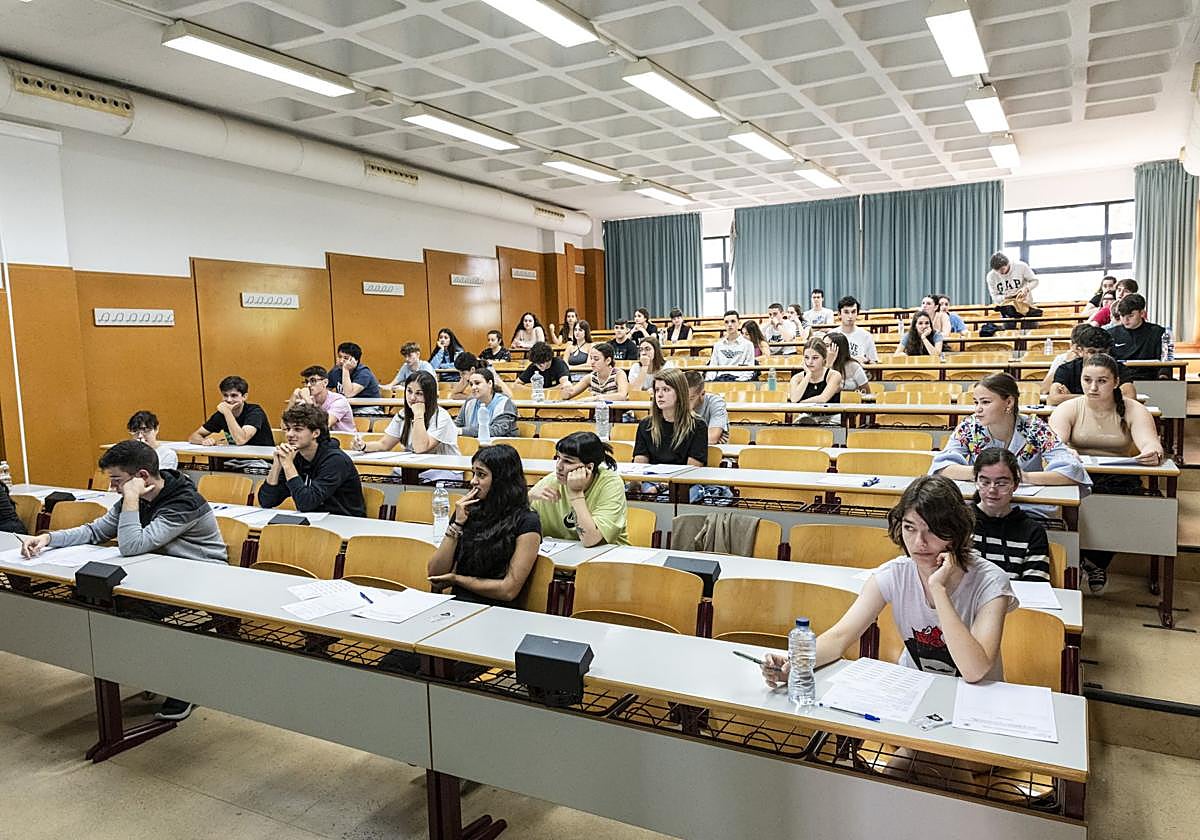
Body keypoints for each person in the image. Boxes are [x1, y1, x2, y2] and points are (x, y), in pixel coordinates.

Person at [21, 440, 227, 721]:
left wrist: (131, 498)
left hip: (201, 577)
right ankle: (146, 670)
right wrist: (48, 538)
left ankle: (184, 685)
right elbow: (96, 531)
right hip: (157, 573)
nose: (113, 488)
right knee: (92, 599)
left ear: (142, 476)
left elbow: (132, 545)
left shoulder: (183, 501)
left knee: (134, 610)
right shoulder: (136, 496)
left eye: (117, 481)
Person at [762, 474, 1015, 684]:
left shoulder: (990, 582)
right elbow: (839, 637)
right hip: (916, 689)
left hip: (976, 701)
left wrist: (937, 589)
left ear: (956, 531)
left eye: (932, 531)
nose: (919, 542)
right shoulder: (895, 574)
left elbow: (974, 671)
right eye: (909, 528)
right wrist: (796, 663)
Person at [1050, 354, 1164, 592]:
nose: (1093, 387)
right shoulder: (1069, 408)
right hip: (1078, 474)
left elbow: (1150, 443)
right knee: (1072, 501)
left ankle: (1093, 561)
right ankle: (1082, 560)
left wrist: (1152, 452)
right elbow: (1055, 443)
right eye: (1087, 380)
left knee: (1126, 503)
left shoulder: (1134, 409)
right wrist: (1066, 451)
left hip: (1119, 476)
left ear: (1116, 382)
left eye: (1101, 381)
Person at [427, 444, 541, 605]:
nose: (473, 481)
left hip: (499, 609)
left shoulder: (527, 521)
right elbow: (435, 574)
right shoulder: (467, 511)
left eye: (481, 475)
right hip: (458, 605)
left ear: (502, 480)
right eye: (473, 473)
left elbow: (508, 590)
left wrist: (457, 580)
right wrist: (457, 525)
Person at [931, 373, 1088, 487]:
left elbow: (1072, 469)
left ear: (1009, 402)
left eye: (985, 402)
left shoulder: (1035, 427)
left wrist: (1023, 477)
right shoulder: (969, 426)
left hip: (1028, 506)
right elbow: (942, 467)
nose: (978, 409)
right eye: (976, 402)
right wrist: (986, 474)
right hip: (982, 503)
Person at [258, 404, 365, 517]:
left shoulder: (336, 460)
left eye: (297, 429)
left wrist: (288, 465)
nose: (289, 434)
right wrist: (277, 464)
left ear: (315, 433)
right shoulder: (295, 457)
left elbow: (306, 503)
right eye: (288, 429)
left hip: (344, 521)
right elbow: (266, 501)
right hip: (314, 520)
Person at [530, 432, 629, 546]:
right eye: (558, 458)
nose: (558, 466)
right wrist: (528, 497)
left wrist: (576, 494)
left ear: (589, 467)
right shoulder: (553, 481)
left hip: (609, 553)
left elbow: (591, 540)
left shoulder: (611, 484)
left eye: (567, 461)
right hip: (564, 553)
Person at [971, 448, 1053, 582]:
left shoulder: (1032, 532)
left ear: (1015, 485)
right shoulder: (960, 523)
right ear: (976, 482)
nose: (992, 490)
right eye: (985, 482)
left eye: (1001, 484)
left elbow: (1035, 586)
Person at [354, 371, 460, 456]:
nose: (412, 398)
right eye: (409, 391)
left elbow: (421, 448)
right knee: (394, 474)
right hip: (417, 467)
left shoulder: (441, 417)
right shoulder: (402, 415)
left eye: (419, 393)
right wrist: (364, 446)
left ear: (429, 396)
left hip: (444, 470)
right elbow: (384, 444)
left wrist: (418, 415)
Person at [634, 368, 708, 467]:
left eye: (666, 390)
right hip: (651, 476)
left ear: (680, 392)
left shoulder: (698, 426)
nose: (659, 395)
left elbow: (693, 468)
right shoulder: (645, 425)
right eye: (657, 390)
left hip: (684, 476)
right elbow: (639, 466)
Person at [1047, 325, 1136, 405]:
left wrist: (1071, 397)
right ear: (1080, 351)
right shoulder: (1066, 369)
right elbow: (1053, 399)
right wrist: (1107, 398)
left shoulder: (1120, 369)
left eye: (1101, 352)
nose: (1097, 356)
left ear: (1108, 351)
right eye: (1091, 352)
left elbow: (1130, 397)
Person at [188, 375, 275, 447]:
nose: (229, 400)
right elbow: (193, 436)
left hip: (260, 460)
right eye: (225, 395)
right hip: (235, 459)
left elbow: (241, 440)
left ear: (244, 397)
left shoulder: (255, 412)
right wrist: (203, 441)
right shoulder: (221, 415)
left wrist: (227, 412)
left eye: (234, 395)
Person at [1108, 293, 1167, 379]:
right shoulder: (1111, 334)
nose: (1126, 320)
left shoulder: (1158, 332)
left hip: (1150, 378)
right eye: (1122, 316)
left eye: (1131, 316)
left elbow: (1165, 361)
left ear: (1142, 313)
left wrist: (1163, 376)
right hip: (1120, 378)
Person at [286, 366, 355, 432]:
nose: (308, 385)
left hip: (344, 439)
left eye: (313, 381)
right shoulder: (306, 402)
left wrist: (308, 400)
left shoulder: (339, 401)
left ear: (325, 382)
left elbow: (323, 426)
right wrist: (292, 400)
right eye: (306, 382)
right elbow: (285, 426)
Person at [455, 369, 518, 438]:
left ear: (490, 383)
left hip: (501, 443)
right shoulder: (469, 402)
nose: (473, 387)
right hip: (472, 443)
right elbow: (457, 424)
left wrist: (462, 431)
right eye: (471, 384)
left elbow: (497, 430)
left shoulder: (505, 403)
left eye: (477, 383)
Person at [561, 342, 630, 401]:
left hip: (619, 412)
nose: (592, 362)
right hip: (598, 412)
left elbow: (622, 396)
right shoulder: (590, 377)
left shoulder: (619, 374)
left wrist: (596, 398)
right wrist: (566, 388)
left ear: (608, 360)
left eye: (596, 359)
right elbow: (568, 395)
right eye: (591, 358)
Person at [787, 337, 843, 407]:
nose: (810, 362)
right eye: (806, 357)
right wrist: (808, 375)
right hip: (804, 413)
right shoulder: (796, 378)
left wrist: (800, 404)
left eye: (815, 358)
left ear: (824, 358)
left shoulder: (834, 375)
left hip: (829, 413)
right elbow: (794, 399)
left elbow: (823, 399)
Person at [986, 252, 1042, 321]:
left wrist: (1026, 289)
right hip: (1007, 309)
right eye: (997, 270)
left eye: (1002, 269)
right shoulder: (991, 276)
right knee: (1008, 326)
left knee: (1030, 326)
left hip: (1025, 304)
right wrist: (1005, 297)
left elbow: (1035, 281)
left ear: (1008, 264)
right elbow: (994, 297)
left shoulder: (1021, 266)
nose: (1000, 272)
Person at [706, 310, 756, 382]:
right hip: (719, 380)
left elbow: (749, 370)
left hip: (739, 381)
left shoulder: (748, 345)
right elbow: (712, 367)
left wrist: (739, 382)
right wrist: (709, 382)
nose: (729, 324)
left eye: (733, 321)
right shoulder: (717, 345)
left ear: (739, 323)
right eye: (726, 322)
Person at [685, 369, 729, 445]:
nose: (684, 403)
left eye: (691, 399)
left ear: (702, 394)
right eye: (682, 397)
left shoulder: (716, 402)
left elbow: (711, 439)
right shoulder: (674, 401)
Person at [835, 296, 878, 363]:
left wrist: (867, 361)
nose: (850, 316)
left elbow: (874, 362)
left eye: (853, 312)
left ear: (857, 314)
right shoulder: (831, 335)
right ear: (839, 314)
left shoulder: (866, 336)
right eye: (846, 312)